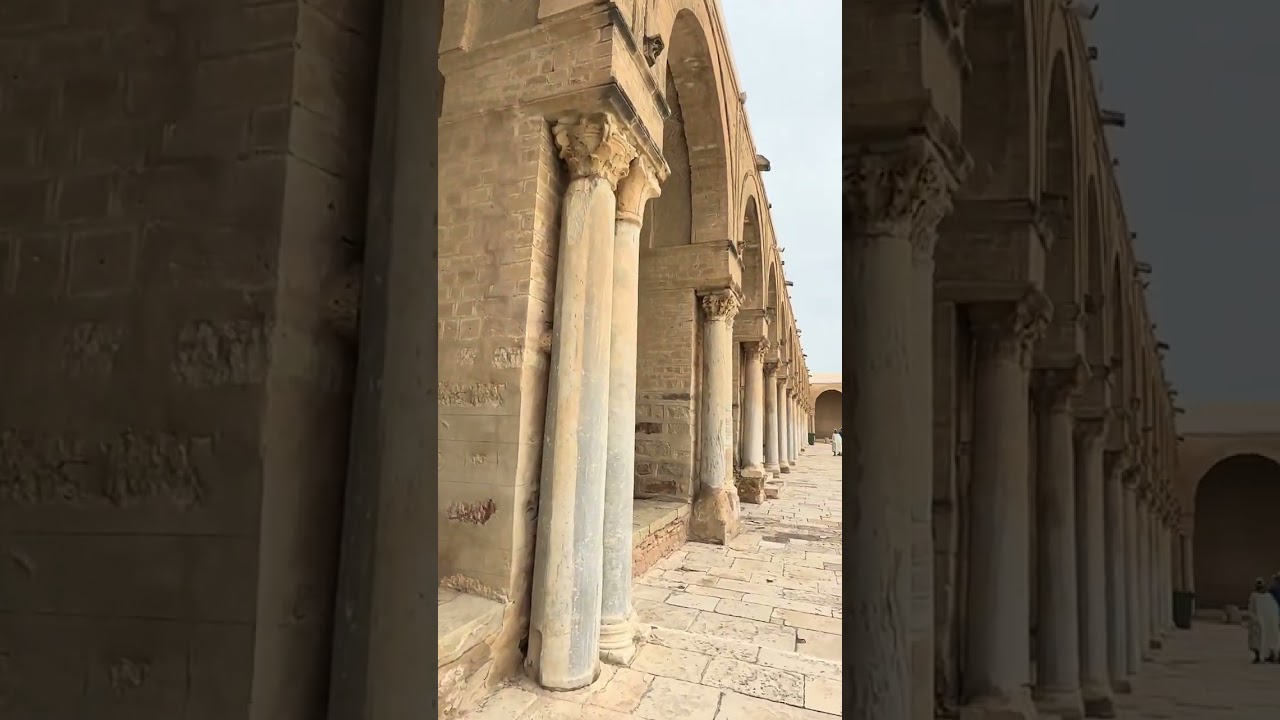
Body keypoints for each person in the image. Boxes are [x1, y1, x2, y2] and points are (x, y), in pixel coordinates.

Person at [1248, 577, 1280, 663]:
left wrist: (1274, 618)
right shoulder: (1254, 595)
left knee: (1271, 638)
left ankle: (1272, 655)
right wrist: (1255, 619)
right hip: (1257, 622)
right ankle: (1258, 656)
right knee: (1256, 640)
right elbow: (1251, 609)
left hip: (1268, 621)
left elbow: (1273, 608)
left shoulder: (1268, 595)